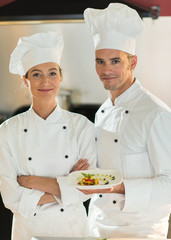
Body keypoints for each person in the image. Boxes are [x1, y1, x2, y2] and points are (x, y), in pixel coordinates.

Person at [82, 3, 171, 239]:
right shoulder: (102, 111)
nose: (106, 70)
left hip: (140, 231)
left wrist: (119, 187)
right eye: (100, 61)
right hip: (98, 226)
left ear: (132, 62)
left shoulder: (156, 114)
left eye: (115, 61)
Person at [0, 31, 96, 240]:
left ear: (61, 77)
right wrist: (68, 185)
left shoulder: (82, 127)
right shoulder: (7, 131)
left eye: (52, 73)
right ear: (25, 80)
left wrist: (31, 181)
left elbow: (89, 187)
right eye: (36, 74)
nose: (46, 81)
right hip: (28, 231)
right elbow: (10, 197)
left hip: (72, 230)